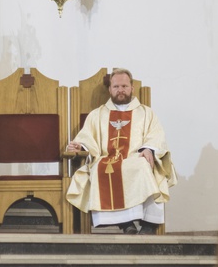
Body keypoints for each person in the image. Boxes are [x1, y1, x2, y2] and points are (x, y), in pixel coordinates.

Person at [65, 68, 177, 235]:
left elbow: (156, 135)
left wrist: (149, 149)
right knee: (99, 168)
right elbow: (87, 136)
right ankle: (126, 224)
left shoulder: (146, 113)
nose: (120, 90)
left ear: (132, 88)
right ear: (110, 89)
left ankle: (149, 225)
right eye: (116, 86)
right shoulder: (98, 114)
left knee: (145, 165)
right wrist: (80, 146)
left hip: (136, 157)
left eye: (124, 86)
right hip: (107, 158)